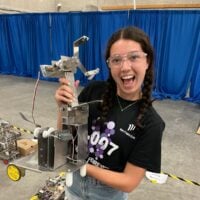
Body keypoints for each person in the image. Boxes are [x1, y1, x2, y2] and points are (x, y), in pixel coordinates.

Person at [55, 26, 165, 200]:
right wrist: (63, 108)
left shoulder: (151, 123)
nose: (125, 67)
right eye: (116, 60)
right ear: (109, 65)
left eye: (134, 57)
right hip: (73, 187)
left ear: (147, 61)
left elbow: (129, 182)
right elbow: (66, 137)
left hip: (107, 195)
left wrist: (83, 167)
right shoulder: (93, 92)